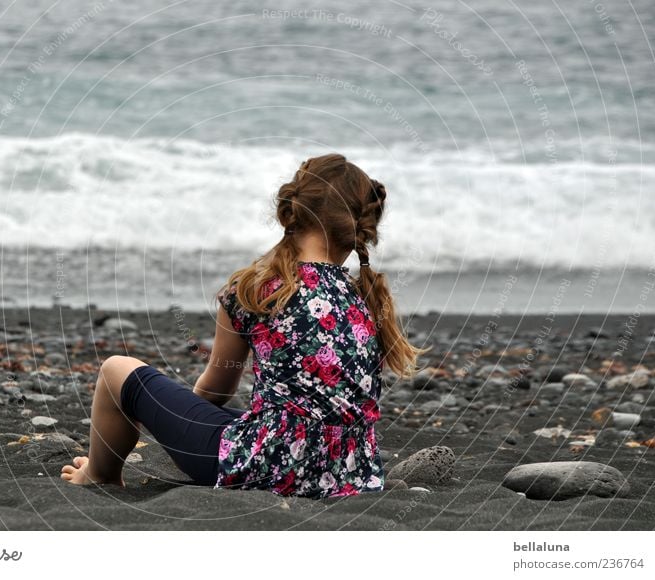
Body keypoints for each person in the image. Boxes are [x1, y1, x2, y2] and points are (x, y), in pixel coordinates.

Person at [61, 153, 424, 498]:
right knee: (275, 419)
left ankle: (99, 474)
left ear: (294, 211)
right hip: (350, 469)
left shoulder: (256, 289)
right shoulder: (367, 296)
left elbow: (217, 389)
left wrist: (179, 418)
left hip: (268, 467)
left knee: (115, 371)